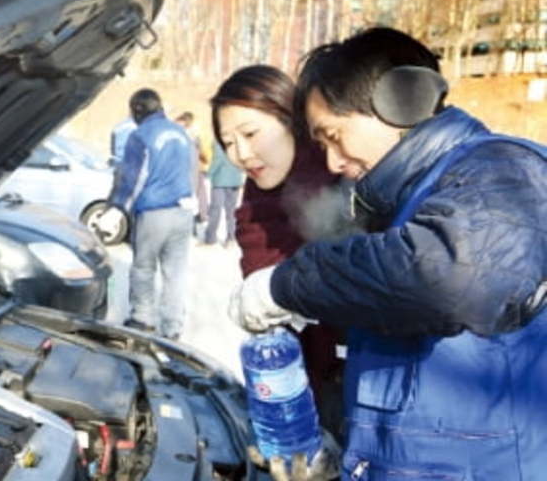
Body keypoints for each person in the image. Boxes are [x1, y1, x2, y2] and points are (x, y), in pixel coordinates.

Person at [230, 27, 547, 479]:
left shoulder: (503, 170)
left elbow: (447, 279)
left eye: (334, 135)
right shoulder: (419, 206)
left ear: (402, 101)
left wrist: (288, 283)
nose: (335, 163)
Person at [211, 65, 353, 448]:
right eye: (228, 142)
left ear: (291, 120)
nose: (240, 154)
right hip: (305, 393)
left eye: (250, 134)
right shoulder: (255, 209)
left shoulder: (349, 181)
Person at [109, 88, 194, 340]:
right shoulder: (181, 133)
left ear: (138, 110)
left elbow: (134, 178)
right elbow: (192, 171)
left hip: (154, 211)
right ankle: (173, 326)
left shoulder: (141, 135)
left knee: (143, 268)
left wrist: (118, 206)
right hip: (183, 211)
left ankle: (142, 318)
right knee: (175, 272)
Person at [202, 140, 244, 247]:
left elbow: (218, 160)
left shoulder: (219, 142)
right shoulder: (238, 142)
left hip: (220, 181)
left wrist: (208, 174)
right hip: (235, 180)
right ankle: (231, 238)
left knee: (215, 209)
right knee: (231, 211)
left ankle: (210, 239)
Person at [174, 111, 210, 232]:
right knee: (198, 195)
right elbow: (203, 152)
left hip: (188, 171)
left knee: (189, 198)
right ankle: (200, 218)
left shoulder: (185, 136)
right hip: (195, 169)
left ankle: (191, 225)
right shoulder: (195, 136)